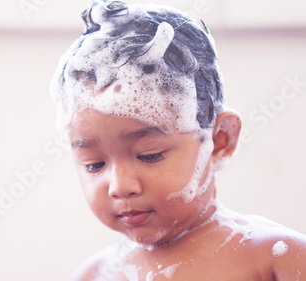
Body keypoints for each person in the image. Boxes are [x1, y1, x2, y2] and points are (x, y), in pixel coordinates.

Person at [49, 1, 306, 280]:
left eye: (149, 155)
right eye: (94, 164)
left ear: (220, 140)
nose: (120, 186)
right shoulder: (94, 275)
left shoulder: (276, 258)